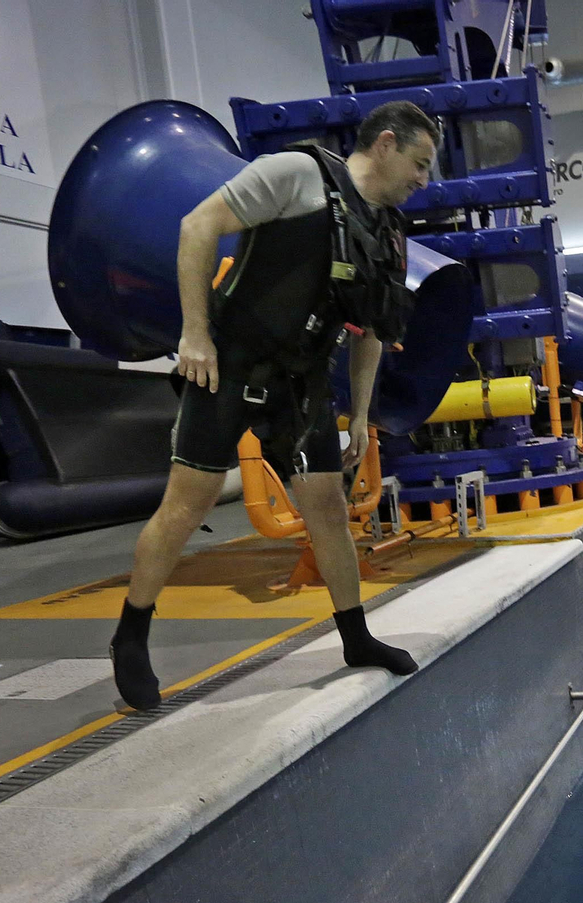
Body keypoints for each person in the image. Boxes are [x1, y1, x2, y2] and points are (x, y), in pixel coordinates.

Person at [108, 101, 440, 711]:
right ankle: (131, 634)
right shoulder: (297, 175)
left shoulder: (388, 231)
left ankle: (356, 637)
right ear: (387, 144)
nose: (424, 180)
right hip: (230, 364)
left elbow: (369, 330)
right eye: (420, 163)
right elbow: (197, 225)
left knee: (328, 510)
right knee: (187, 506)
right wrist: (194, 334)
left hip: (303, 379)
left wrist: (361, 416)